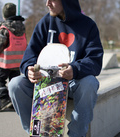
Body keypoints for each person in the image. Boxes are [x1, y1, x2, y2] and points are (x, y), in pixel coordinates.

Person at [8, 0, 103, 136]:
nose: (47, 3)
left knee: (90, 83)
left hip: (72, 83)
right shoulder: (45, 23)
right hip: (45, 81)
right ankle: (36, 132)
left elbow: (95, 61)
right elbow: (29, 56)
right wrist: (30, 69)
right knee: (15, 85)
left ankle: (76, 134)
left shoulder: (88, 26)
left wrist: (75, 70)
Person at [0, 3, 27, 111]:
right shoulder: (22, 27)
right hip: (18, 62)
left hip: (5, 62)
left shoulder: (5, 27)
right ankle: (14, 102)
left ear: (4, 15)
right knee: (14, 82)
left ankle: (5, 100)